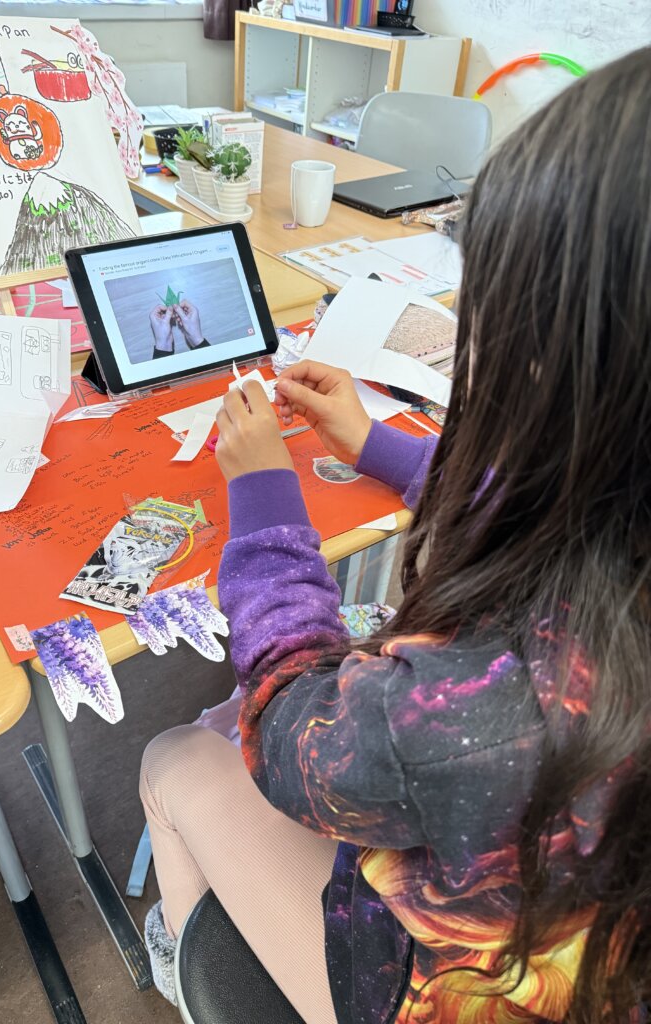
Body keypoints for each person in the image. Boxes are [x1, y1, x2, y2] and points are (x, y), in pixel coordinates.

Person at [139, 47, 651, 1024]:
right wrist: (379, 447)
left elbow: (293, 730)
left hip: (454, 987)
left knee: (175, 757)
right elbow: (549, 506)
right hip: (589, 938)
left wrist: (267, 505)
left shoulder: (491, 704)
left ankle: (188, 963)